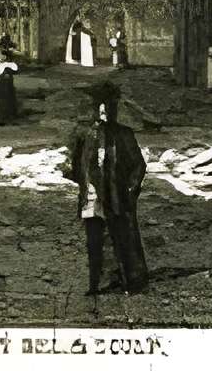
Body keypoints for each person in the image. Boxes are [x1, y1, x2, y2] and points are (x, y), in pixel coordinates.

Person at [63, 81, 148, 300]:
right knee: (93, 242)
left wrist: (130, 190)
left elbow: (139, 165)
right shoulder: (84, 135)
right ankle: (93, 283)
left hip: (116, 197)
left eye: (109, 107)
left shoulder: (124, 135)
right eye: (100, 108)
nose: (104, 112)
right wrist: (84, 184)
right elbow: (73, 165)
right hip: (92, 198)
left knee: (123, 239)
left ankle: (131, 281)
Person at [0, 38, 20, 126]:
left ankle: (2, 118)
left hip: (3, 90)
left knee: (2, 102)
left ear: (4, 56)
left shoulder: (7, 66)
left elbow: (15, 68)